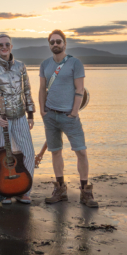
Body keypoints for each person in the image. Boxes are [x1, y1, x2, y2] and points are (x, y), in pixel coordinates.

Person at [38, 30, 98, 207]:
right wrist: (42, 110)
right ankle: (60, 189)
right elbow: (42, 89)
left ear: (65, 43)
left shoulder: (75, 63)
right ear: (49, 45)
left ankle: (85, 191)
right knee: (55, 151)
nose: (55, 44)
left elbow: (80, 89)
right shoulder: (45, 64)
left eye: (58, 41)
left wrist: (74, 112)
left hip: (69, 117)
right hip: (50, 115)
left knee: (81, 152)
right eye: (52, 42)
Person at [0, 34, 36, 205]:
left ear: (11, 46)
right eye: (1, 45)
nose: (4, 47)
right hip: (0, 119)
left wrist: (30, 114)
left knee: (28, 153)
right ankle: (1, 193)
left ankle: (24, 191)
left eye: (7, 44)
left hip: (20, 116)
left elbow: (27, 90)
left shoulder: (21, 66)